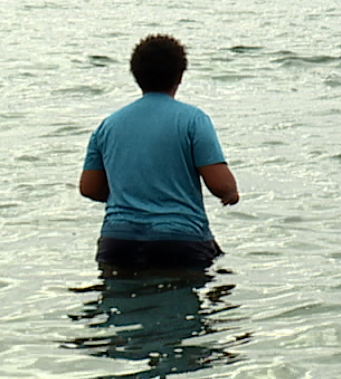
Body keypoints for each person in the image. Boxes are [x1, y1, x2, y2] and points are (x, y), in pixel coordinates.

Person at [80, 35, 240, 272]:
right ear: (180, 75)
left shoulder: (108, 125)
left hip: (118, 243)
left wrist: (134, 197)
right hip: (180, 242)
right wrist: (231, 193)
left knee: (123, 305)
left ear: (136, 76)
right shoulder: (193, 120)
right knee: (218, 290)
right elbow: (220, 184)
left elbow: (89, 188)